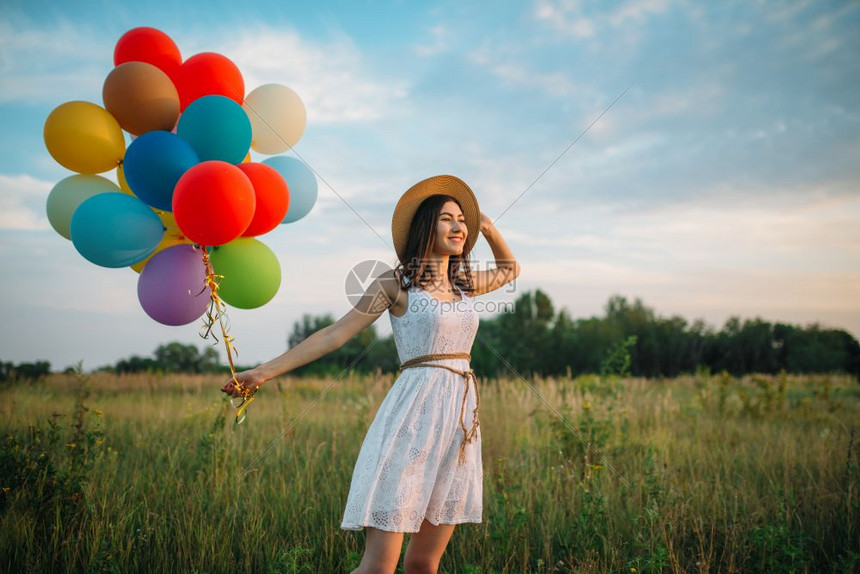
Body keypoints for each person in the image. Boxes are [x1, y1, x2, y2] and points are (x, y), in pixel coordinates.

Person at [222, 175, 521, 573]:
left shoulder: (464, 285)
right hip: (412, 420)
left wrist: (485, 224)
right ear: (424, 227)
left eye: (461, 220)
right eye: (447, 218)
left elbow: (510, 269)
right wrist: (263, 372)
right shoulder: (396, 284)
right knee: (380, 566)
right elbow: (334, 334)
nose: (458, 227)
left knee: (423, 564)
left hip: (459, 423)